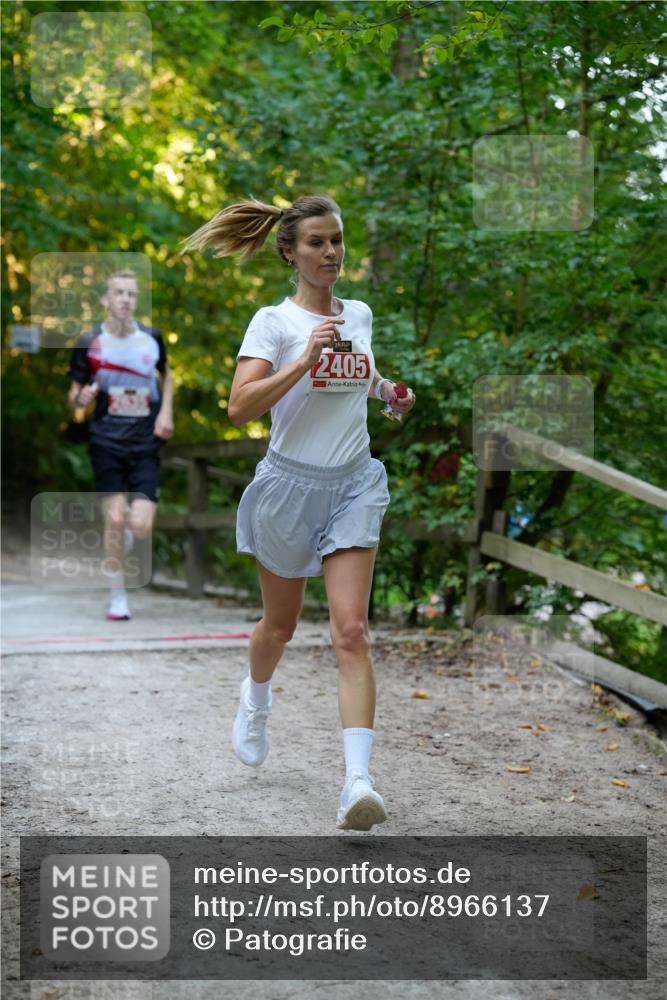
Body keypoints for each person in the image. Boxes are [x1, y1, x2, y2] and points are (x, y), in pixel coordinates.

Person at [181, 195, 415, 831]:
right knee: (278, 628)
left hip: (353, 485)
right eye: (316, 242)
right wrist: (302, 361)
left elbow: (358, 375)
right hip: (289, 487)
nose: (331, 252)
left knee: (350, 631)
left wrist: (387, 392)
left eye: (337, 240)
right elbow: (239, 408)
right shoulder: (273, 322)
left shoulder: (359, 313)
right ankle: (256, 698)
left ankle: (357, 784)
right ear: (290, 251)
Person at [67, 269, 174, 620]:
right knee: (114, 519)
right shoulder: (90, 342)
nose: (126, 299)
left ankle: (126, 539)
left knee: (140, 524)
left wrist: (166, 414)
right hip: (106, 440)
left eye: (131, 293)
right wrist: (81, 397)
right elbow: (75, 398)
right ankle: (117, 595)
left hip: (145, 440)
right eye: (118, 293)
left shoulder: (152, 337)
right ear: (105, 300)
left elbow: (167, 375)